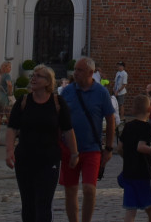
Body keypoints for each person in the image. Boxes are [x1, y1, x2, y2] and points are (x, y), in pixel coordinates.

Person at [6, 64, 78, 222]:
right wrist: (9, 150)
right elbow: (12, 128)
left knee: (44, 202)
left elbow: (67, 129)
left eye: (38, 76)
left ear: (48, 82)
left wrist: (74, 153)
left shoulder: (57, 103)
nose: (33, 78)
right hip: (25, 158)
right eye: (33, 75)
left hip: (49, 159)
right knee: (28, 203)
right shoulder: (23, 101)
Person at [60, 57, 116, 222]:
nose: (75, 73)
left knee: (89, 189)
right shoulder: (68, 91)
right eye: (75, 69)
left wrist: (109, 148)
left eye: (79, 70)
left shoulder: (101, 93)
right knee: (70, 191)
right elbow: (61, 119)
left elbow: (110, 119)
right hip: (69, 149)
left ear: (91, 73)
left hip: (92, 148)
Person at [116, 93, 151, 222]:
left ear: (133, 110)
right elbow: (141, 147)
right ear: (149, 110)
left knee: (131, 209)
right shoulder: (147, 127)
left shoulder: (128, 126)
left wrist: (127, 157)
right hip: (144, 173)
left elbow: (119, 148)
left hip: (129, 173)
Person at [0, 60, 15, 145]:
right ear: (5, 68)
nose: (10, 68)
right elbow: (9, 84)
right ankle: (11, 139)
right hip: (5, 99)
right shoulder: (7, 76)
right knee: (10, 118)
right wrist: (10, 92)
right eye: (9, 67)